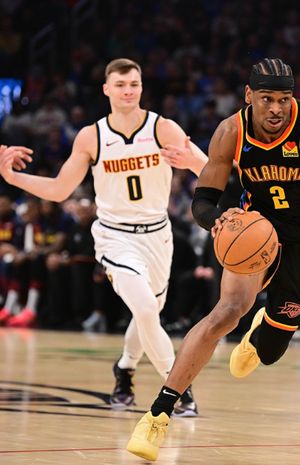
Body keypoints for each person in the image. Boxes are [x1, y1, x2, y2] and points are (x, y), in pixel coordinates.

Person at [126, 57, 300, 461]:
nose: (276, 108)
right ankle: (158, 413)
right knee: (225, 313)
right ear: (249, 96)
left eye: (283, 99)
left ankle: (262, 332)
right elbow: (203, 199)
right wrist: (216, 219)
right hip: (256, 231)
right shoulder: (230, 132)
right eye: (266, 99)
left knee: (272, 351)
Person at [0, 59, 208, 415]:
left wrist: (191, 162)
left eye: (134, 84)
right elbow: (59, 189)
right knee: (146, 309)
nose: (128, 91)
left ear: (141, 87)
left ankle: (125, 368)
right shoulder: (92, 136)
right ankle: (178, 390)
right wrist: (12, 178)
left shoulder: (164, 128)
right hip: (115, 237)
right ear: (106, 89)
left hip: (158, 236)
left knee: (148, 314)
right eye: (121, 84)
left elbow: (211, 171)